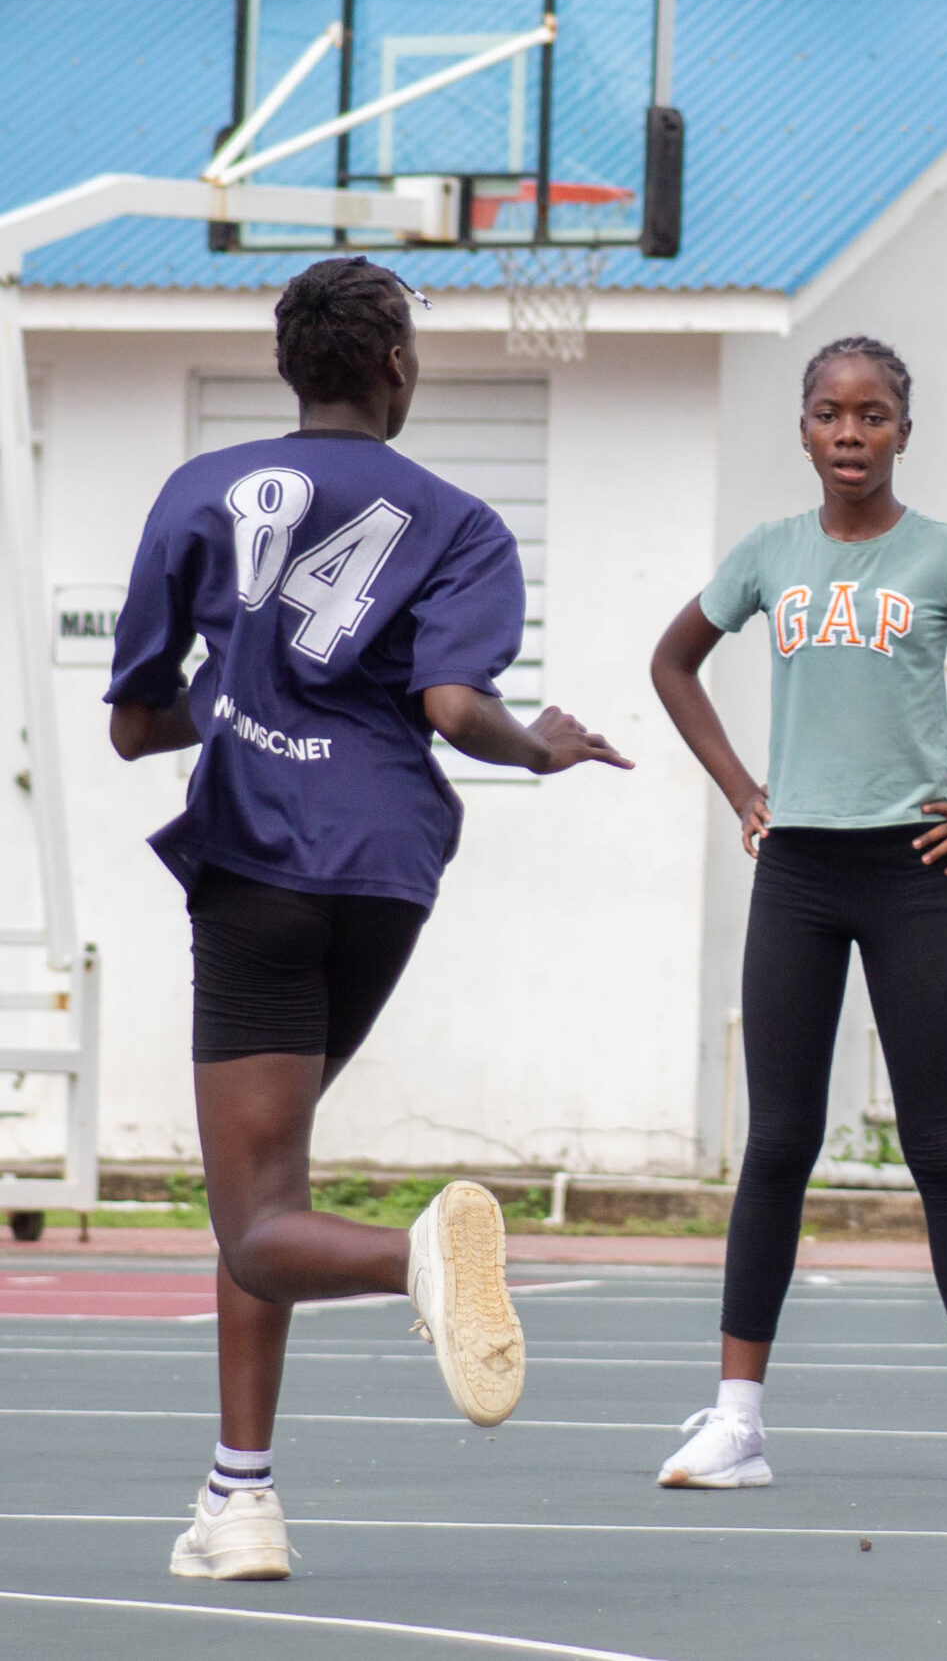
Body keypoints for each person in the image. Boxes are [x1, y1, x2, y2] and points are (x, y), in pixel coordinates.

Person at [104, 256, 632, 1583]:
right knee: (262, 1191)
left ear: (291, 365)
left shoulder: (196, 493)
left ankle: (417, 1262)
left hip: (259, 860)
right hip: (387, 864)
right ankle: (242, 1502)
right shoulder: (460, 520)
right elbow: (458, 709)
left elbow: (133, 722)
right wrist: (542, 749)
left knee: (254, 1215)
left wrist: (227, 699)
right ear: (398, 366)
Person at [649, 334, 947, 1498]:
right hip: (797, 872)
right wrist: (741, 789)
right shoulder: (768, 555)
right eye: (827, 414)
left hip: (911, 872)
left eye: (871, 416)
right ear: (800, 428)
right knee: (778, 1145)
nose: (849, 435)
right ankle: (736, 1419)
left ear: (905, 429)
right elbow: (673, 664)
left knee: (942, 1145)